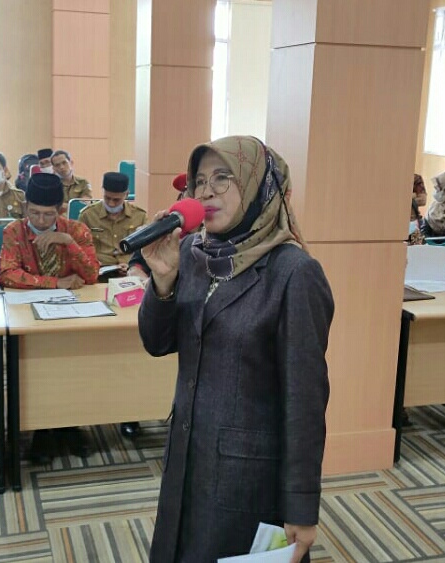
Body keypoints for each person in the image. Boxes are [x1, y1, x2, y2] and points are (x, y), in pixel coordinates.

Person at [138, 136, 330, 563]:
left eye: (223, 178)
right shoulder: (191, 253)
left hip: (248, 479)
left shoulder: (293, 273)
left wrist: (301, 506)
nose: (207, 191)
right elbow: (157, 342)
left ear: (259, 185)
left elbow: (305, 401)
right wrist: (163, 281)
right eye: (200, 181)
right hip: (186, 459)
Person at [0, 173, 99, 289]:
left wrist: (69, 242)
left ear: (60, 211)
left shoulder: (76, 230)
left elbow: (92, 276)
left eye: (48, 214)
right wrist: (55, 282)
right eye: (34, 213)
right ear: (25, 207)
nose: (41, 221)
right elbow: (6, 275)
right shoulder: (14, 231)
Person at [79, 172, 146, 268]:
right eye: (107, 198)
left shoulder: (140, 216)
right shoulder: (88, 215)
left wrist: (132, 266)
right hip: (99, 269)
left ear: (126, 195)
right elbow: (80, 248)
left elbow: (145, 250)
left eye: (116, 200)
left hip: (131, 268)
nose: (111, 204)